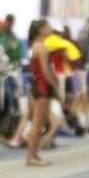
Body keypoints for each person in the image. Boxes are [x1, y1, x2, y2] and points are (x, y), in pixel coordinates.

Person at [25, 20, 59, 166]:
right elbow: (46, 71)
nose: (50, 29)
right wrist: (55, 84)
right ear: (41, 30)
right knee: (38, 123)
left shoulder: (35, 46)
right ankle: (31, 156)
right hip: (42, 87)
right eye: (47, 27)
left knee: (38, 122)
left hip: (37, 85)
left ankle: (33, 154)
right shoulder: (41, 47)